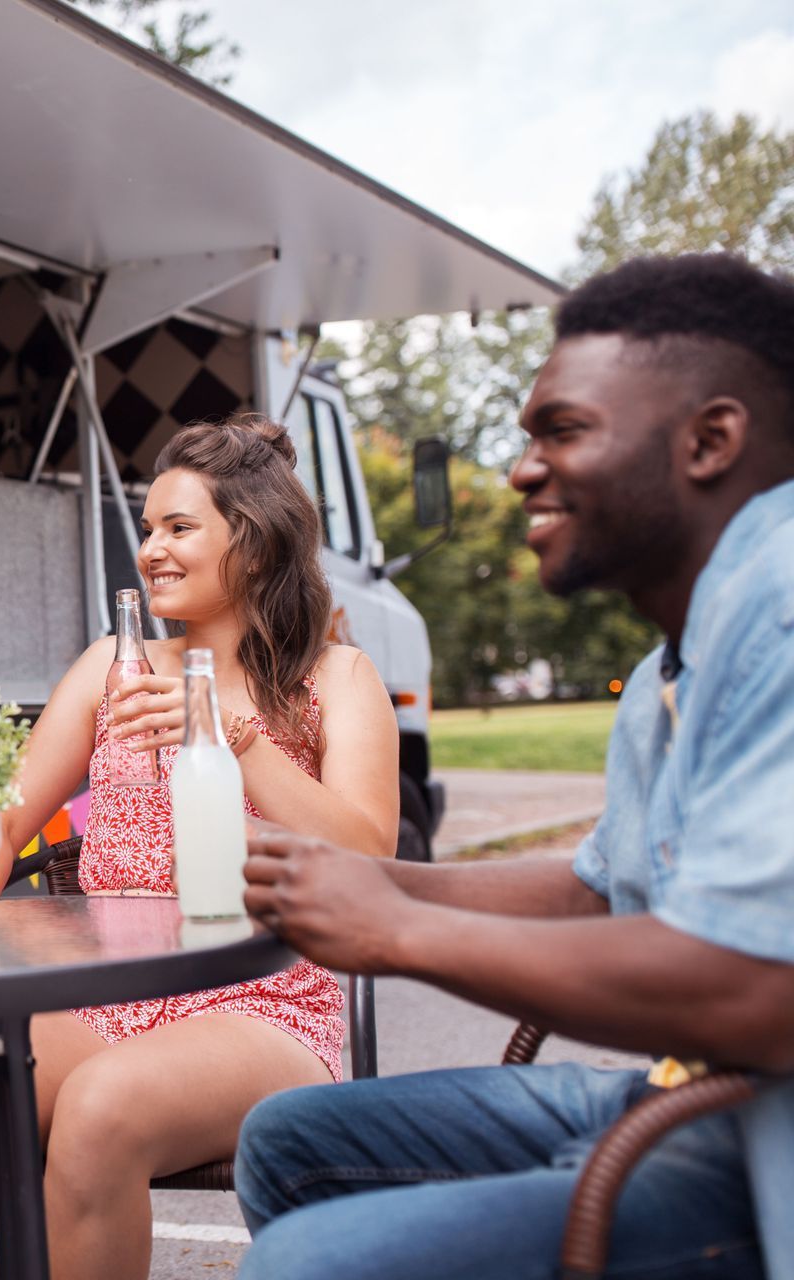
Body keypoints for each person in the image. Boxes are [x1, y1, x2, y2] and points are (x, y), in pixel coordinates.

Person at [235, 253, 794, 1280]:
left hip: (764, 1145)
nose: (521, 470)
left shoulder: (784, 609)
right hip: (696, 1092)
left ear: (711, 439)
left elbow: (764, 985)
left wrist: (396, 927)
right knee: (288, 1142)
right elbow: (597, 892)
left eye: (563, 431)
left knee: (309, 1262)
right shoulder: (666, 665)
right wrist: (370, 880)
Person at [0, 416, 401, 1279]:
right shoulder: (114, 666)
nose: (151, 549)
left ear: (253, 543)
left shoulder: (335, 677)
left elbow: (371, 851)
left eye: (180, 528)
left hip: (266, 1002)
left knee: (103, 1108)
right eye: (148, 529)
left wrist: (232, 734)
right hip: (112, 993)